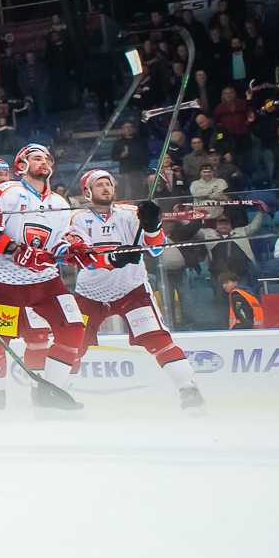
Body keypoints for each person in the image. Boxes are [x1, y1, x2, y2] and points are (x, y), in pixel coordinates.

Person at [65, 170, 205, 415]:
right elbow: (78, 255)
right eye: (99, 185)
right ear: (87, 192)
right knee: (73, 345)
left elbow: (156, 250)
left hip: (131, 289)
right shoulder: (76, 218)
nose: (106, 188)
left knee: (157, 338)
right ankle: (59, 393)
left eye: (109, 183)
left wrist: (152, 227)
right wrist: (112, 258)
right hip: (89, 293)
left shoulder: (132, 213)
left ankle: (189, 389)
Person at [0, 143, 89, 415]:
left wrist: (71, 251)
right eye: (37, 158)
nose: (44, 162)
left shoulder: (59, 203)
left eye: (47, 158)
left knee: (74, 328)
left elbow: (58, 242)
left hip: (46, 282)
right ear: (22, 166)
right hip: (7, 282)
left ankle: (49, 393)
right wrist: (19, 252)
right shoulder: (6, 192)